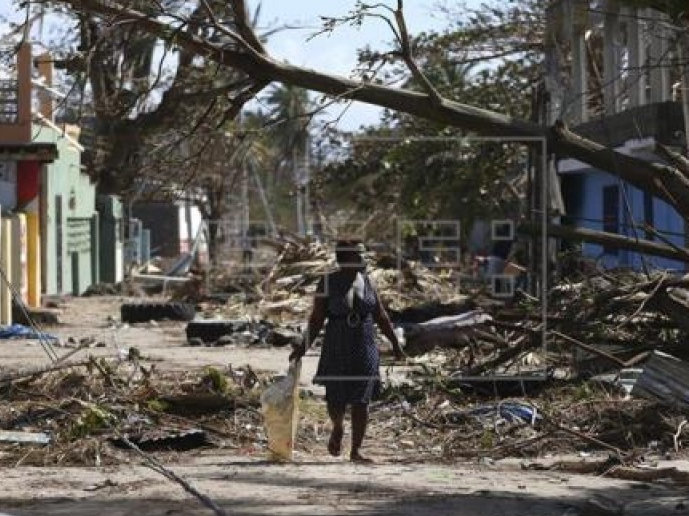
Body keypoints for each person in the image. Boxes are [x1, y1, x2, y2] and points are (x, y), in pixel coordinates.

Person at [290, 239, 405, 463]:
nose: (364, 260)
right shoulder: (328, 282)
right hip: (337, 343)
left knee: (362, 399)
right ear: (346, 259)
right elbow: (316, 320)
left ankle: (356, 450)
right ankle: (338, 427)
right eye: (359, 256)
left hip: (365, 344)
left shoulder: (368, 282)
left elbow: (380, 315)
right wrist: (302, 348)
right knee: (336, 396)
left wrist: (395, 343)